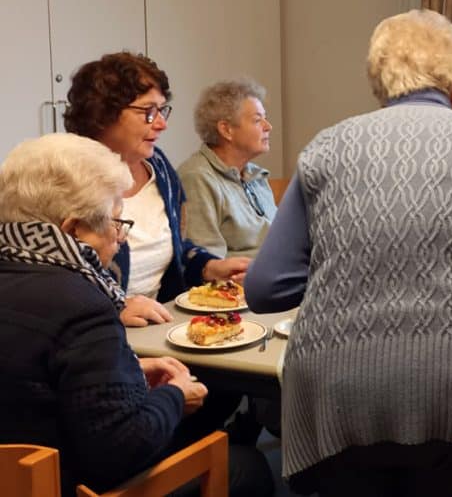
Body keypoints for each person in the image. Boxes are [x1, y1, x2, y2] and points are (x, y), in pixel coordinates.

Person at [245, 9, 452, 497]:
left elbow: (265, 290)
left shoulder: (325, 148)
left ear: (381, 82)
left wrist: (352, 271)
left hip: (339, 387)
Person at [0, 134, 272, 497]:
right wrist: (175, 396)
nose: (121, 238)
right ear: (72, 229)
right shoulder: (84, 305)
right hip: (77, 483)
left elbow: (41, 382)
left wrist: (126, 372)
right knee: (249, 467)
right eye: (116, 224)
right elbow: (123, 450)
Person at [64, 52, 249, 327]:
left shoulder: (158, 166)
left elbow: (173, 247)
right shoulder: (64, 179)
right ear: (102, 113)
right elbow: (46, 280)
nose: (161, 123)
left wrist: (210, 268)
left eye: (162, 110)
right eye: (148, 112)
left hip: (161, 324)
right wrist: (116, 307)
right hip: (97, 333)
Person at [178, 78, 277, 258]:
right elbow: (209, 263)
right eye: (257, 120)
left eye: (265, 118)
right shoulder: (196, 178)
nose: (268, 127)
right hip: (244, 283)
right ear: (226, 130)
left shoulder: (256, 176)